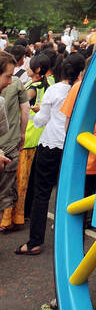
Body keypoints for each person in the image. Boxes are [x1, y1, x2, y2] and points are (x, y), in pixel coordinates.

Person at [14, 56, 80, 257]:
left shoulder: (54, 90)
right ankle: (70, 238)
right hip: (72, 146)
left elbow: (42, 120)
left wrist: (37, 114)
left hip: (50, 143)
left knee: (41, 193)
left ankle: (35, 241)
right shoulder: (81, 91)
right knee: (70, 192)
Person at [0, 53, 30, 232]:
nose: (10, 81)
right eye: (7, 76)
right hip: (9, 148)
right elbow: (25, 108)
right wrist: (21, 134)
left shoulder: (2, 101)